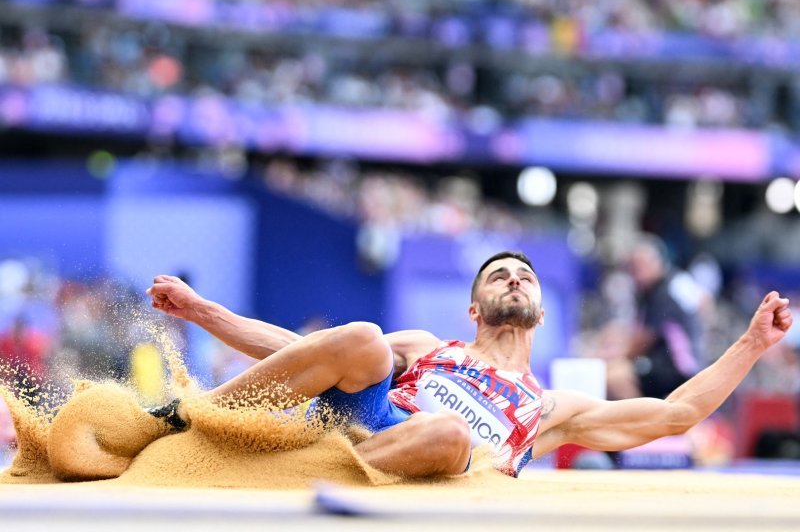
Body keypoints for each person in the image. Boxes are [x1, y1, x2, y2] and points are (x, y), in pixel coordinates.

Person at [145, 251, 792, 478]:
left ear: (540, 309)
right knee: (366, 338)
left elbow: (676, 413)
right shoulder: (431, 348)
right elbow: (309, 354)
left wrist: (752, 344)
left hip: (427, 472)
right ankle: (187, 418)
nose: (514, 280)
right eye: (499, 276)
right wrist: (205, 312)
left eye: (525, 277)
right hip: (353, 426)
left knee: (451, 436)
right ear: (476, 310)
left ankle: (308, 477)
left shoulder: (549, 409)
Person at [606, 235, 705, 400]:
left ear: (656, 262)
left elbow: (643, 340)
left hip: (678, 368)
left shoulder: (664, 292)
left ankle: (644, 424)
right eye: (633, 268)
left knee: (614, 378)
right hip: (666, 362)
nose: (636, 274)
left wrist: (614, 358)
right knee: (614, 370)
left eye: (641, 266)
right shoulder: (653, 290)